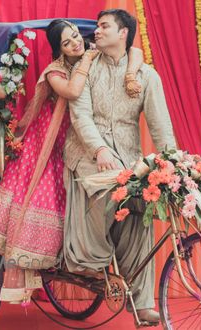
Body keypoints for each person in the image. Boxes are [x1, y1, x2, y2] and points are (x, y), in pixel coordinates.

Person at [0, 19, 143, 304]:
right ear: (59, 49)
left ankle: (78, 258)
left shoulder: (92, 54)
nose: (75, 44)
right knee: (47, 197)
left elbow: (135, 51)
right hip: (48, 140)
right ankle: (36, 257)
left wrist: (130, 73)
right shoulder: (55, 70)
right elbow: (73, 92)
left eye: (75, 37)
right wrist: (88, 58)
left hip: (80, 139)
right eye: (67, 42)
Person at [63, 9, 177, 324]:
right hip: (87, 157)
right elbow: (80, 116)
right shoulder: (85, 70)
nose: (96, 32)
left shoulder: (146, 76)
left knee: (142, 206)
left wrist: (174, 163)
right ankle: (90, 257)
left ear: (123, 32)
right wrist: (98, 148)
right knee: (112, 188)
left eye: (104, 27)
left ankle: (141, 301)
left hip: (128, 160)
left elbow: (161, 127)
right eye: (97, 27)